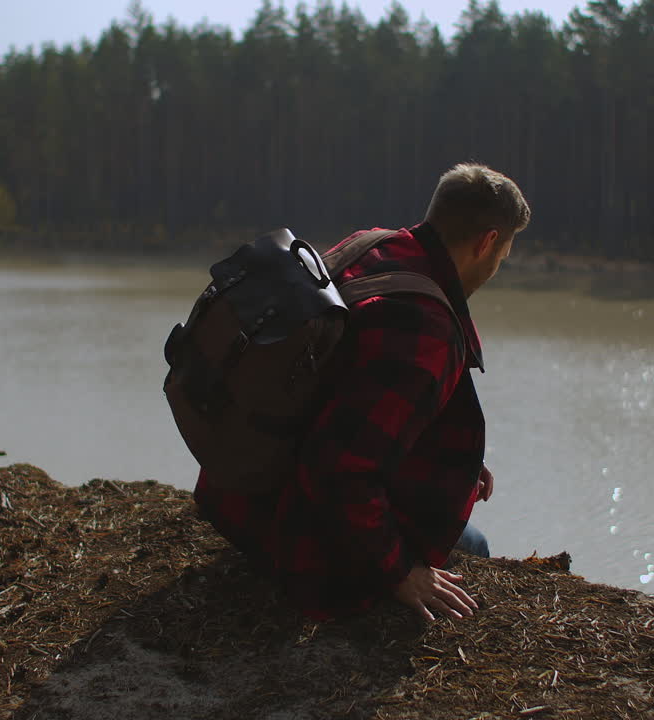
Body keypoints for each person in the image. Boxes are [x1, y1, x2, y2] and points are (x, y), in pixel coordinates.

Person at [193, 163, 531, 621]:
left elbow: (342, 380)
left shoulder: (373, 245)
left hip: (239, 489)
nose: (496, 267)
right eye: (503, 255)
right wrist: (400, 572)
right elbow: (338, 470)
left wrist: (462, 458)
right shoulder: (426, 328)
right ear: (487, 241)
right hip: (286, 523)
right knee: (475, 545)